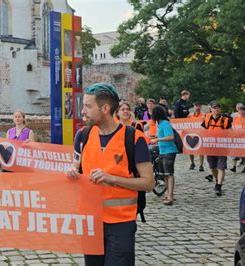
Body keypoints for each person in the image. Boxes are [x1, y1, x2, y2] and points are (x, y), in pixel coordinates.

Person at [66, 83, 154, 265]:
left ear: (105, 108)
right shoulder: (82, 136)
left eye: (88, 106)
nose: (83, 111)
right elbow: (76, 166)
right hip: (91, 220)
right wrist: (72, 171)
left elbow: (148, 183)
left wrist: (111, 178)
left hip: (121, 222)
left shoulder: (134, 138)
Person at [202, 101, 233, 196]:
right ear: (211, 109)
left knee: (221, 167)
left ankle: (219, 186)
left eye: (218, 108)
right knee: (212, 167)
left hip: (221, 147)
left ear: (220, 109)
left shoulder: (225, 120)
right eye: (214, 108)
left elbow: (231, 132)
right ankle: (217, 180)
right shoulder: (207, 119)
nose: (216, 110)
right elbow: (203, 131)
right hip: (210, 146)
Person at [150, 106, 178, 205]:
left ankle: (170, 196)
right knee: (164, 174)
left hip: (169, 151)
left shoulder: (165, 123)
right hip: (163, 151)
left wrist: (157, 140)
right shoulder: (160, 124)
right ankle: (169, 194)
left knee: (169, 174)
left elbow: (170, 137)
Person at [230, 104, 245, 173]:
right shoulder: (235, 118)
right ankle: (234, 166)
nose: (241, 112)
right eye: (240, 110)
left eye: (243, 110)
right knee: (235, 153)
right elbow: (232, 127)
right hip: (236, 139)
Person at [188, 102, 205, 171]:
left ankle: (201, 165)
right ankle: (192, 163)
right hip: (191, 134)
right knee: (190, 150)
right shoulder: (190, 115)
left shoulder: (204, 115)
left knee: (201, 150)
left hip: (200, 134)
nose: (197, 108)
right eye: (196, 106)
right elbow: (186, 123)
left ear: (201, 107)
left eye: (199, 106)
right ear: (194, 107)